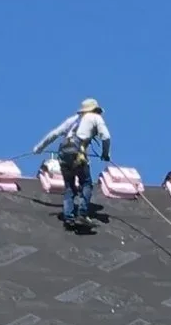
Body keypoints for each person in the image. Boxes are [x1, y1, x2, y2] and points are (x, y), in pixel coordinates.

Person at [34, 97, 113, 227]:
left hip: (64, 153)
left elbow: (54, 134)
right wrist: (105, 154)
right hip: (78, 153)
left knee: (70, 186)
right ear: (95, 110)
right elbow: (106, 136)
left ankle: (68, 217)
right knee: (86, 183)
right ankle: (82, 215)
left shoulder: (73, 121)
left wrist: (39, 148)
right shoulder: (95, 118)